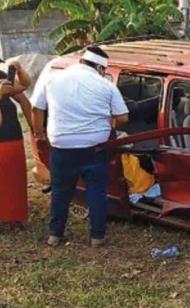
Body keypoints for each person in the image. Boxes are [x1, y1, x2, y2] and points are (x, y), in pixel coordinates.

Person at [30, 46, 129, 247]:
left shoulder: (53, 79)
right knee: (96, 192)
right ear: (101, 68)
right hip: (95, 147)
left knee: (60, 191)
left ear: (82, 62)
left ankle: (54, 235)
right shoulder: (106, 85)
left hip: (61, 146)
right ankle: (97, 237)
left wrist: (39, 132)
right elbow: (123, 117)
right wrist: (111, 125)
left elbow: (36, 107)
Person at [0, 62, 32, 231]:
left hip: (13, 137)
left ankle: (14, 217)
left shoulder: (1, 77)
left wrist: (19, 70)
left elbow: (25, 86)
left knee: (15, 179)